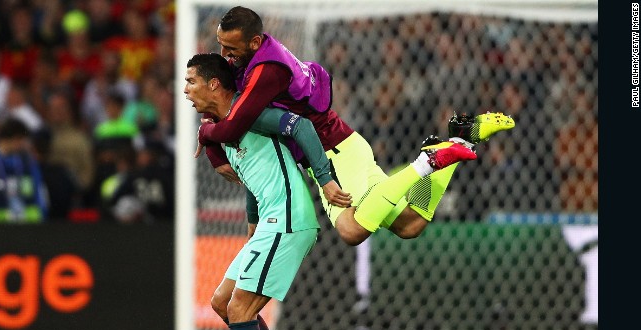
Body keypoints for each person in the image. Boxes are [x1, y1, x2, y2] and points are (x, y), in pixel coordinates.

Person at [184, 53, 476, 330]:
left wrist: (325, 180)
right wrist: (252, 225)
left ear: (213, 84)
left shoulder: (250, 114)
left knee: (241, 308)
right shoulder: (223, 129)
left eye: (191, 81)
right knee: (223, 303)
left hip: (287, 216)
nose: (186, 90)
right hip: (270, 219)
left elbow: (300, 126)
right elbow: (253, 179)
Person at [195, 6, 515, 246]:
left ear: (253, 42)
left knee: (351, 231)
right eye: (221, 45)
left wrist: (205, 133)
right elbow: (228, 104)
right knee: (411, 225)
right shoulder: (251, 60)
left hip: (334, 151)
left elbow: (235, 124)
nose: (225, 55)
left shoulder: (267, 70)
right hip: (342, 145)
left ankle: (427, 162)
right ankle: (458, 137)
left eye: (230, 48)